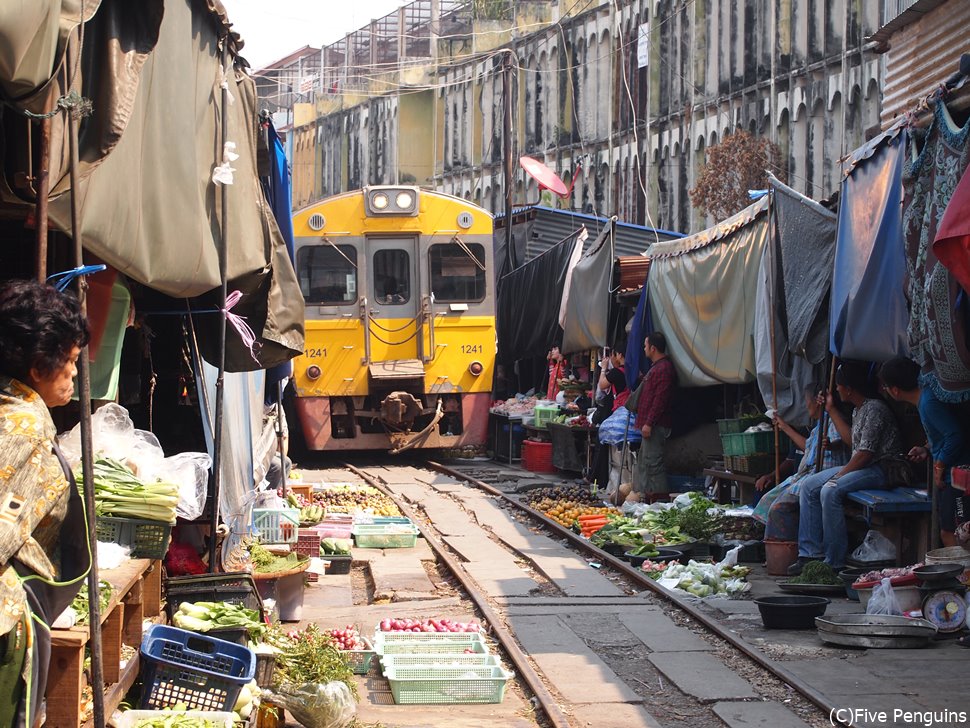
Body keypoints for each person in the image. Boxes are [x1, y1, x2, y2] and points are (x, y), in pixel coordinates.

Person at [0, 279, 92, 726]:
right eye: (71, 361)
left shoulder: (11, 407)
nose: (75, 373)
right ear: (40, 365)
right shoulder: (22, 426)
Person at [789, 362, 903, 575]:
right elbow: (852, 441)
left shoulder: (875, 409)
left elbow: (865, 454)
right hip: (864, 465)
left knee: (830, 490)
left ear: (849, 388)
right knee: (809, 485)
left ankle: (834, 562)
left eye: (840, 386)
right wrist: (831, 409)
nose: (837, 389)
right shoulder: (858, 410)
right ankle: (809, 554)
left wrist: (840, 475)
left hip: (881, 469)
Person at [879, 356, 970, 547]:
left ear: (895, 390)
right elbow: (942, 435)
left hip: (957, 476)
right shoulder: (924, 400)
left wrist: (939, 464)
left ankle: (963, 576)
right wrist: (926, 449)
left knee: (953, 534)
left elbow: (955, 436)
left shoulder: (928, 403)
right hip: (952, 474)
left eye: (886, 387)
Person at [752, 385, 849, 541]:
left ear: (817, 402)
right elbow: (809, 449)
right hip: (807, 476)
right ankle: (773, 545)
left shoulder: (832, 423)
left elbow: (840, 444)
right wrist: (784, 426)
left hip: (820, 477)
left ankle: (786, 547)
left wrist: (831, 445)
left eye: (806, 401)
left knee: (779, 509)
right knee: (767, 499)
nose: (805, 405)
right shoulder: (818, 427)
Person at [634, 332, 676, 495]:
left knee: (653, 465)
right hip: (649, 425)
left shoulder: (664, 369)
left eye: (645, 345)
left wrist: (649, 423)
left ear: (653, 348)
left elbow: (660, 399)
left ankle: (659, 501)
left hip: (656, 426)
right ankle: (646, 498)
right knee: (645, 463)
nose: (644, 348)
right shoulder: (656, 368)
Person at [592, 345, 628, 426]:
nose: (611, 357)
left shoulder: (616, 372)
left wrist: (603, 368)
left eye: (613, 354)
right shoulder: (631, 370)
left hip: (617, 409)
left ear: (619, 355)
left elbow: (602, 385)